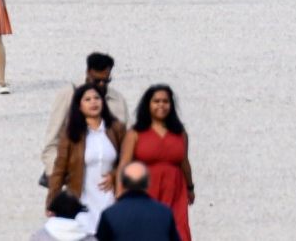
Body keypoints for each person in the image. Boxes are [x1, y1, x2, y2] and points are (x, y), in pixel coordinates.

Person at [39, 81, 128, 237]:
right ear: (79, 106)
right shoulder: (71, 135)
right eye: (87, 99)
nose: (93, 102)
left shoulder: (116, 129)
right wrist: (52, 200)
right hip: (83, 198)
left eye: (97, 98)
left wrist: (115, 174)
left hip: (111, 197)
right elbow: (59, 169)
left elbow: (128, 159)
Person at [125, 84, 194, 240]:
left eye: (165, 101)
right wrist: (122, 193)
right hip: (146, 190)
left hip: (175, 190)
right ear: (148, 104)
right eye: (156, 101)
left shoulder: (180, 133)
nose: (161, 105)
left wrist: (190, 187)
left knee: (178, 230)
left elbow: (184, 162)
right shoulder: (135, 133)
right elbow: (125, 165)